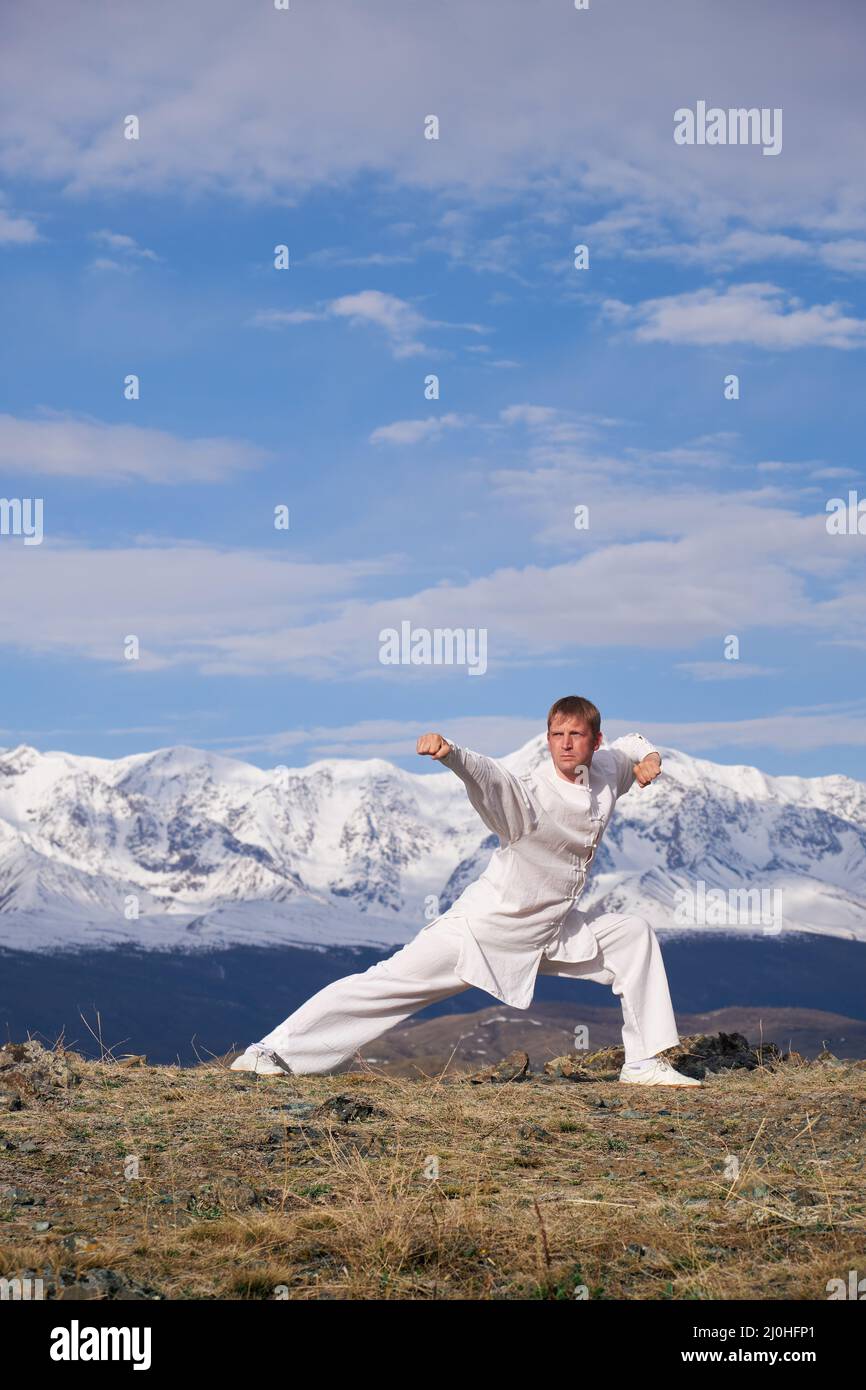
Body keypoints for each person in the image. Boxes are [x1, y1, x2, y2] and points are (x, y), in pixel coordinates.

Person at [230, 695, 700, 1086]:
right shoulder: (529, 795)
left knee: (632, 935)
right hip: (485, 927)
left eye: (576, 735)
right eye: (557, 735)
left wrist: (651, 760)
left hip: (549, 930)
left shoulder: (606, 770)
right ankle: (272, 1054)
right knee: (387, 985)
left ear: (594, 741)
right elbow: (487, 775)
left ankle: (643, 1063)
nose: (565, 744)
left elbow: (635, 744)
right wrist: (450, 752)